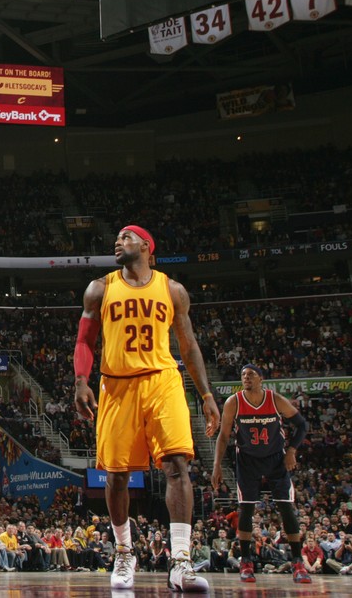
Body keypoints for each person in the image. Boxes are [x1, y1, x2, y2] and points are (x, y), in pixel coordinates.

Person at [73, 225, 220, 592]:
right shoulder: (100, 288)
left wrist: (206, 396)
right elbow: (84, 340)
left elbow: (188, 346)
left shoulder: (172, 290)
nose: (118, 241)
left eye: (126, 236)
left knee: (176, 465)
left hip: (162, 379)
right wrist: (80, 381)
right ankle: (124, 553)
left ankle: (181, 563)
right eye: (117, 238)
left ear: (147, 247)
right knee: (116, 475)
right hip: (117, 383)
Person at [210, 363, 311, 584]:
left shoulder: (274, 399)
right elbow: (224, 436)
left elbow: (302, 425)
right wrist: (217, 465)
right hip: (247, 460)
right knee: (246, 508)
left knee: (285, 507)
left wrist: (292, 450)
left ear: (261, 379)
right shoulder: (233, 402)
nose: (246, 378)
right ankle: (246, 562)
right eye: (243, 375)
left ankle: (297, 562)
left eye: (251, 375)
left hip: (276, 458)